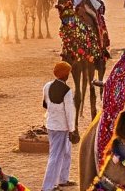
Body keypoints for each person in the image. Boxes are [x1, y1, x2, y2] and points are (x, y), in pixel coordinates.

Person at [41, 62, 79, 191]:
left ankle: (63, 179)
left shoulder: (47, 86)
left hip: (51, 124)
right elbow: (69, 112)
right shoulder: (67, 91)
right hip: (62, 127)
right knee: (55, 156)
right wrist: (72, 130)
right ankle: (48, 187)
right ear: (65, 75)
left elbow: (45, 104)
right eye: (68, 73)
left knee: (66, 152)